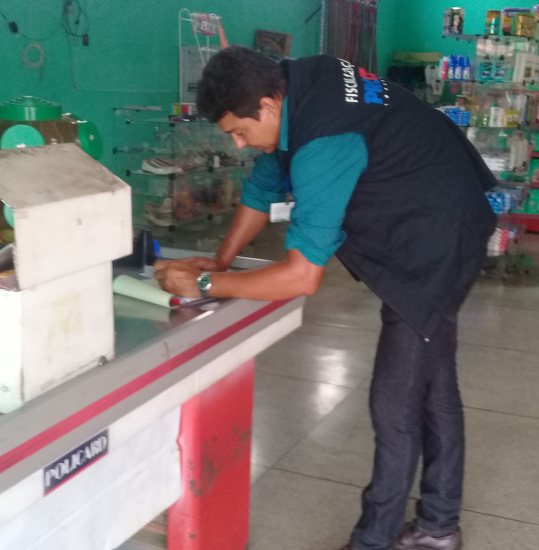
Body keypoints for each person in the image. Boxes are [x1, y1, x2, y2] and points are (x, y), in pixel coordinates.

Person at [154, 45, 497, 550]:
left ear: (267, 105)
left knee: (395, 406)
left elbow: (301, 277)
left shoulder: (323, 141)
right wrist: (221, 260)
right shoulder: (291, 83)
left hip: (434, 242)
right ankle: (439, 525)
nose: (239, 143)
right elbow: (263, 186)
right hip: (442, 208)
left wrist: (203, 286)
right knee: (433, 384)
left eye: (238, 131)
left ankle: (375, 540)